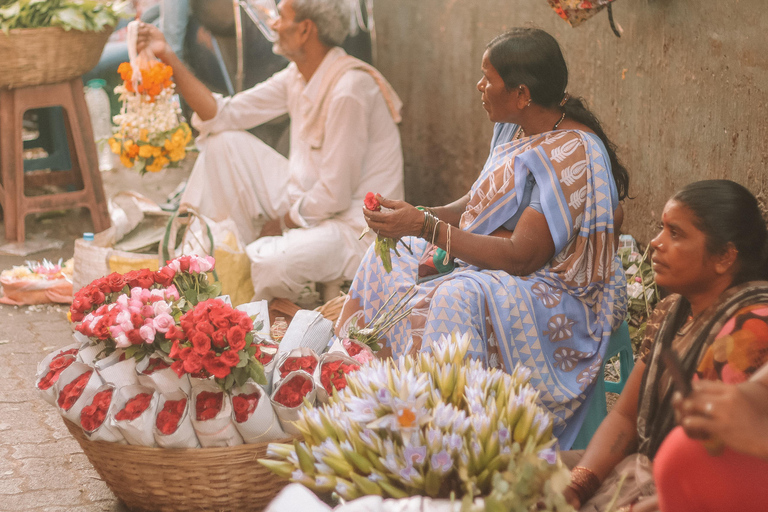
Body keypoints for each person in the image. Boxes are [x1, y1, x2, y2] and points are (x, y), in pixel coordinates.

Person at [335, 27, 630, 449]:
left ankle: (447, 432)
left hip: (558, 286)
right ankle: (372, 389)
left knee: (455, 297)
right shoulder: (515, 128)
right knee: (393, 257)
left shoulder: (572, 153)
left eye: (487, 78)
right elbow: (478, 204)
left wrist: (426, 228)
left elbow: (522, 257)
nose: (479, 86)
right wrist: (415, 216)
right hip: (510, 258)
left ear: (521, 94)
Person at [136, 0, 404, 301]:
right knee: (222, 143)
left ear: (305, 30)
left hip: (353, 230)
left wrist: (282, 224)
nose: (274, 24)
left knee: (265, 261)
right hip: (310, 204)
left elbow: (334, 195)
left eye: (281, 17)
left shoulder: (349, 90)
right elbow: (223, 114)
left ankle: (247, 271)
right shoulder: (296, 76)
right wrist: (167, 56)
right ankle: (212, 252)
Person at [562, 179, 768, 512]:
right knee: (518, 472)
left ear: (724, 257)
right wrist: (580, 484)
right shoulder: (672, 310)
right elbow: (626, 417)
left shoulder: (750, 329)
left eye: (676, 233)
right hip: (641, 464)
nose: (656, 243)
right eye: (662, 229)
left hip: (688, 488)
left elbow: (719, 471)